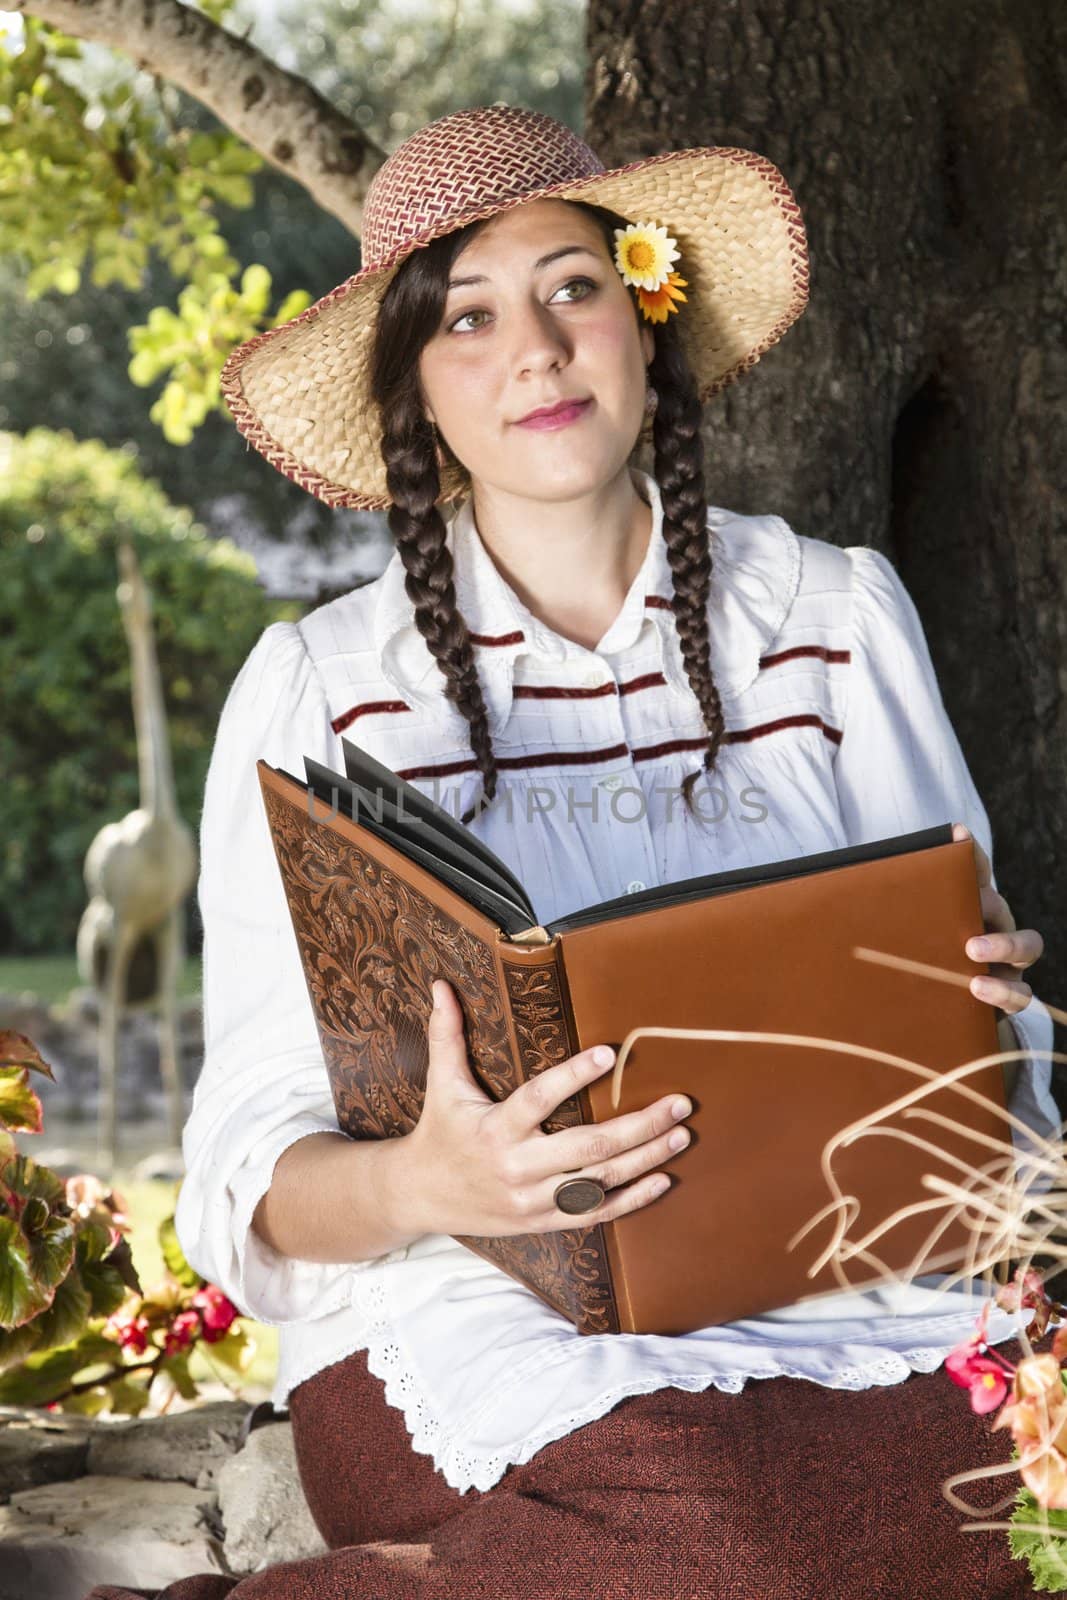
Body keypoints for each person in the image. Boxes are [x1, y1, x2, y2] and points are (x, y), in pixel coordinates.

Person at [87, 103, 1059, 1600]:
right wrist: (432, 1181)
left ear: (645, 319)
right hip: (468, 1328)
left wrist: (983, 1005)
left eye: (572, 287)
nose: (534, 348)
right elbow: (246, 1172)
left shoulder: (839, 617)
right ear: (416, 391)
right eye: (467, 317)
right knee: (724, 1523)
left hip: (852, 1291)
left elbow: (994, 1094)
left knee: (1000, 1471)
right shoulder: (321, 688)